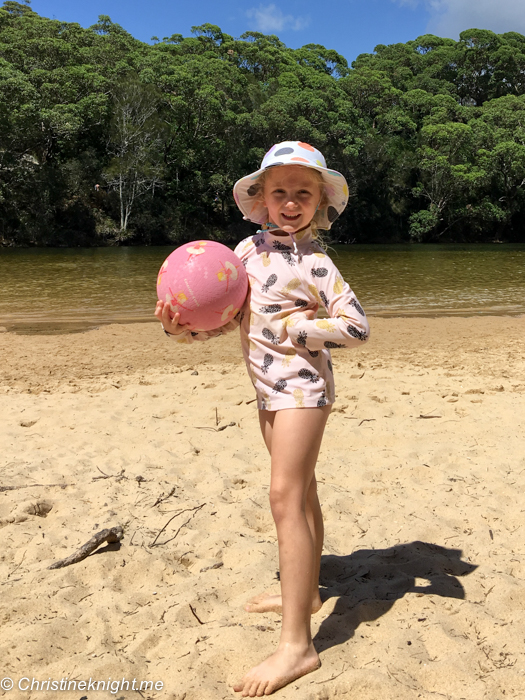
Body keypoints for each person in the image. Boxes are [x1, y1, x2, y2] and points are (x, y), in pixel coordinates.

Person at [155, 141, 370, 697]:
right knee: (303, 493)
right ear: (262, 199)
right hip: (265, 392)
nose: (291, 203)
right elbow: (227, 318)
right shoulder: (244, 254)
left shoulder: (318, 263)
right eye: (281, 193)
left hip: (303, 390)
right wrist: (183, 329)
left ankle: (297, 645)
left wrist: (304, 330)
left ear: (321, 201)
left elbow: (357, 327)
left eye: (304, 193)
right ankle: (312, 592)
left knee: (283, 497)